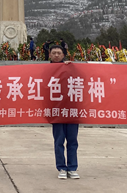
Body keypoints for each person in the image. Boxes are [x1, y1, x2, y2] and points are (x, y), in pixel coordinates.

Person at [48, 45, 79, 179]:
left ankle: (72, 168)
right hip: (56, 111)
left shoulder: (70, 68)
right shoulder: (44, 70)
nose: (56, 55)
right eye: (54, 53)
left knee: (72, 141)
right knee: (59, 140)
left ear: (63, 55)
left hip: (71, 109)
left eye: (59, 53)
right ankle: (61, 167)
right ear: (49, 55)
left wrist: (72, 67)